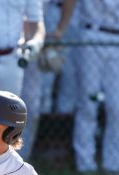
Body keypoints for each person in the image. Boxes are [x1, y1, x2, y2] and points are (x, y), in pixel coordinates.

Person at [19, 0, 77, 160]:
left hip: (32, 46)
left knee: (31, 104)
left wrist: (58, 31)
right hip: (0, 46)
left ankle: (20, 159)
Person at [73, 0, 119, 175]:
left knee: (116, 106)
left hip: (117, 39)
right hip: (92, 33)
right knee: (88, 104)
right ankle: (85, 165)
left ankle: (113, 165)